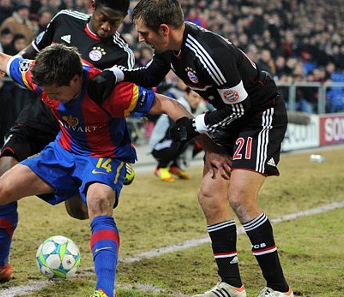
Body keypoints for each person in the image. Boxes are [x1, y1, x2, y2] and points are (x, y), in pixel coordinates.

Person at [0, 42, 229, 296]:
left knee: (96, 203)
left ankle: (104, 291)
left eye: (54, 92)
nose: (49, 98)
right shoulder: (41, 76)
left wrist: (210, 148)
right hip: (65, 150)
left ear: (74, 80)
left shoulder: (108, 92)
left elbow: (168, 104)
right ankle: (0, 265)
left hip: (105, 155)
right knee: (1, 189)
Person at [88, 1, 293, 296]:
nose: (140, 38)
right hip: (231, 115)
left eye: (144, 33)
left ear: (164, 29)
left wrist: (195, 124)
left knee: (239, 197)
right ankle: (232, 285)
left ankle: (278, 288)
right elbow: (149, 76)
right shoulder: (170, 48)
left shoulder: (208, 55)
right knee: (210, 196)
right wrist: (115, 75)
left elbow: (242, 106)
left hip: (260, 116)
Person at [0, 0, 137, 279]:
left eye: (116, 22)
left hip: (80, 132)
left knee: (78, 211)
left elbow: (123, 107)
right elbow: (32, 52)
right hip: (43, 112)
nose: (107, 26)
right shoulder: (64, 20)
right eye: (103, 18)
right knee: (3, 175)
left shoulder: (122, 55)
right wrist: (11, 65)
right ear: (92, 6)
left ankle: (104, 179)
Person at [148, 86, 205, 181]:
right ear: (186, 95)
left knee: (202, 142)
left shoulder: (200, 108)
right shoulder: (177, 106)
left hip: (174, 141)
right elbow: (176, 131)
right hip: (159, 145)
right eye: (194, 96)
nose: (197, 100)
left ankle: (175, 167)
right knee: (183, 138)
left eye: (199, 97)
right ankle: (161, 168)